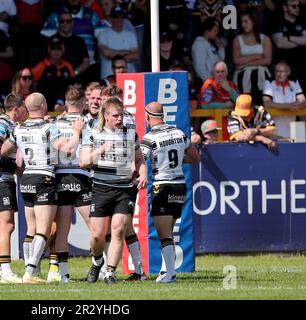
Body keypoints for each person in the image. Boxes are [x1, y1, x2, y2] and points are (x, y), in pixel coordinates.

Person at [0, 92, 77, 284]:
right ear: (43, 105)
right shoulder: (49, 127)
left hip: (26, 179)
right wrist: (76, 132)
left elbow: (3, 150)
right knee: (43, 229)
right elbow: (67, 149)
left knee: (31, 229)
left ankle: (29, 268)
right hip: (44, 177)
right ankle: (30, 272)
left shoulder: (18, 128)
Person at [81, 97, 147, 284]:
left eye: (121, 115)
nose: (120, 119)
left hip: (125, 188)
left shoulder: (130, 133)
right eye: (116, 116)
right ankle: (97, 261)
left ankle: (110, 272)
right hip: (101, 187)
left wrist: (143, 174)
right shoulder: (93, 133)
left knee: (118, 230)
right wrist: (100, 149)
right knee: (97, 234)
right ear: (105, 116)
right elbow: (83, 161)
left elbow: (139, 159)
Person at [140, 101, 200, 283]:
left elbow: (140, 161)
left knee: (163, 233)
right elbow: (195, 157)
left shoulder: (149, 138)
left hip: (163, 185)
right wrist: (177, 161)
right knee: (169, 230)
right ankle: (166, 271)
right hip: (180, 185)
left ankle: (171, 274)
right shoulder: (179, 133)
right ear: (163, 115)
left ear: (147, 116)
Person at [0, 94, 27, 284]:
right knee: (8, 225)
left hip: (1, 178)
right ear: (16, 109)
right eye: (24, 108)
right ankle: (7, 271)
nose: (26, 111)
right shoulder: (2, 125)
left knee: (0, 227)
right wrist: (17, 169)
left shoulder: (10, 125)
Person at [52, 88, 91, 283]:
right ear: (83, 103)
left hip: (60, 177)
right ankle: (101, 267)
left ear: (66, 103)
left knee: (62, 229)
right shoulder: (89, 122)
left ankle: (63, 274)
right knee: (95, 226)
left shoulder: (55, 123)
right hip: (81, 175)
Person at [232, 10, 272, 105]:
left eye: (246, 21)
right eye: (241, 22)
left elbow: (267, 60)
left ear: (253, 22)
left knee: (260, 107)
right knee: (244, 106)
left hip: (261, 79)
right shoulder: (237, 40)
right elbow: (236, 60)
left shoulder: (265, 39)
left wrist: (247, 63)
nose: (243, 24)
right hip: (243, 79)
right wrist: (257, 56)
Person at [262, 60, 306, 138]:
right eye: (277, 71)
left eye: (282, 72)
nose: (279, 74)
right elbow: (267, 103)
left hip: (292, 132)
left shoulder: (295, 83)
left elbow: (303, 101)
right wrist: (290, 106)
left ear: (288, 72)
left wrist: (298, 104)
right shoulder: (269, 83)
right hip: (274, 133)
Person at [32, 36, 75, 111]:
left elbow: (72, 87)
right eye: (53, 48)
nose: (56, 51)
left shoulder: (68, 66)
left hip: (63, 108)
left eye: (59, 48)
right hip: (44, 108)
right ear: (48, 50)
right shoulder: (41, 66)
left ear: (63, 50)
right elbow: (30, 81)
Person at [271, 0, 306, 88]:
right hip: (285, 68)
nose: (297, 9)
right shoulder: (277, 22)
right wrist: (300, 42)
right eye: (293, 6)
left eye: (298, 6)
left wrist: (289, 38)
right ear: (285, 7)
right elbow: (279, 43)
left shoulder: (302, 21)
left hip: (302, 66)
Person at [98, 5, 139, 79]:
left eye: (122, 17)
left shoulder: (130, 34)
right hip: (108, 77)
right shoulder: (103, 34)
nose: (119, 19)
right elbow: (107, 53)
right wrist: (127, 52)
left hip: (129, 78)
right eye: (116, 17)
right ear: (111, 18)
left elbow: (136, 55)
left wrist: (115, 54)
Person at [50, 10, 90, 83]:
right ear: (58, 23)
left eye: (68, 21)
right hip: (56, 79)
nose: (65, 23)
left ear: (72, 22)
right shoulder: (51, 40)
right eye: (62, 21)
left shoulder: (79, 41)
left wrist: (74, 73)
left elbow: (86, 62)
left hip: (76, 79)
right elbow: (46, 61)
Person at [192, 17, 225, 83]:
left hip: (216, 80)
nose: (217, 33)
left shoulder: (210, 44)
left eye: (218, 30)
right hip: (207, 83)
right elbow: (200, 67)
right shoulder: (199, 44)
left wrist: (221, 48)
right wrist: (210, 82)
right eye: (215, 30)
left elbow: (221, 62)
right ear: (207, 31)